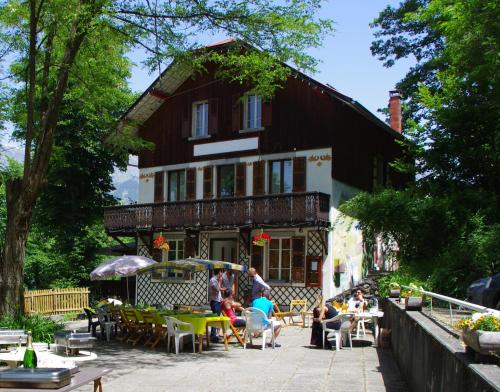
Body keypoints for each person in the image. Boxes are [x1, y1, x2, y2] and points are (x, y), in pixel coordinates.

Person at [209, 269, 224, 342]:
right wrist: (220, 282)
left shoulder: (216, 280)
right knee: (215, 318)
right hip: (214, 302)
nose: (222, 273)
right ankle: (213, 336)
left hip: (217, 301)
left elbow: (218, 293)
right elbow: (217, 289)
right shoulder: (213, 280)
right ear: (219, 272)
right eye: (221, 272)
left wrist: (221, 298)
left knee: (216, 318)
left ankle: (213, 335)